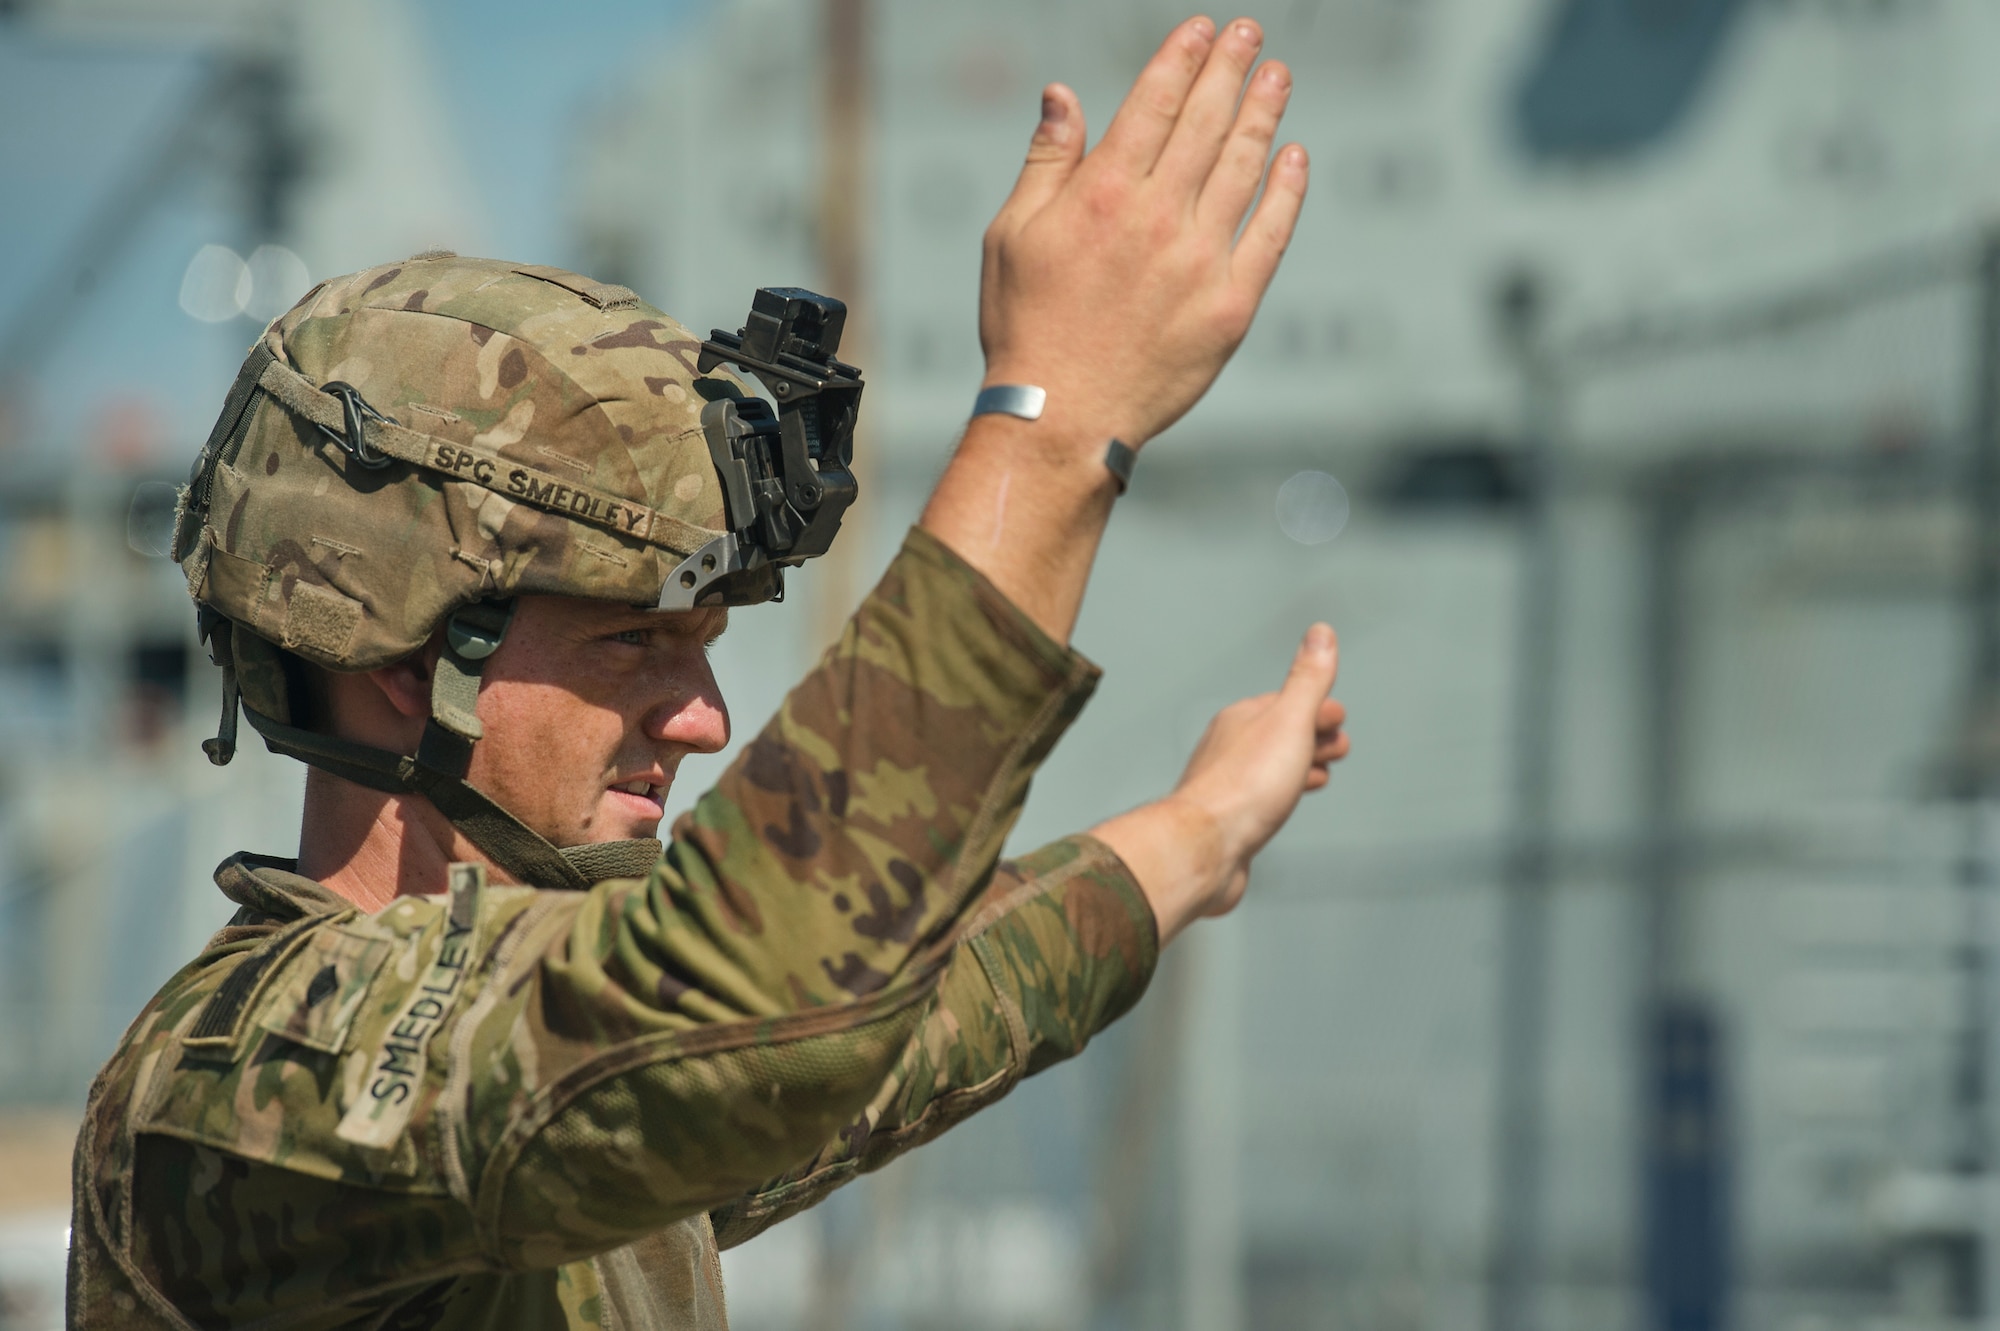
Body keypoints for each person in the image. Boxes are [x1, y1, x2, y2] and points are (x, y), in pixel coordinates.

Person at [68, 15, 1347, 1329]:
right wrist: (1054, 428)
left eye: (703, 649)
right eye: (633, 644)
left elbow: (910, 1007)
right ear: (404, 652)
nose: (701, 719)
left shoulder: (561, 1082)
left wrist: (1199, 834)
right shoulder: (249, 1083)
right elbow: (758, 1005)